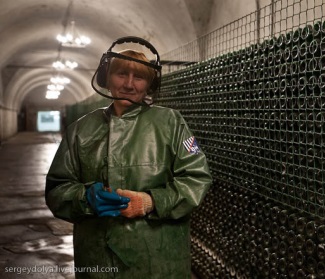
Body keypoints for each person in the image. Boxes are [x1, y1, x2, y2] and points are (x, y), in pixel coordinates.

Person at [45, 37, 212, 279]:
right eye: (121, 74)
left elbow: (197, 179)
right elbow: (57, 190)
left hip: (159, 258)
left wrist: (151, 201)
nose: (129, 85)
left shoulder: (170, 123)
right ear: (106, 78)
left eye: (140, 77)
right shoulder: (80, 130)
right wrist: (85, 198)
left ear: (149, 85)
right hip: (98, 258)